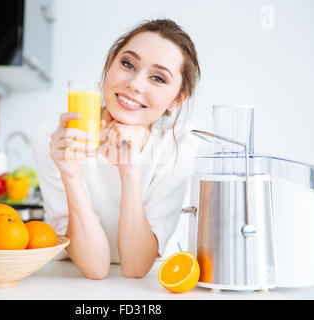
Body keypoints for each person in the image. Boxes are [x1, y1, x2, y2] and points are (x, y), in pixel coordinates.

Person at [31, 19, 201, 279]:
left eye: (157, 78)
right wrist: (70, 174)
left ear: (177, 99)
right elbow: (95, 269)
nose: (135, 83)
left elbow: (134, 267)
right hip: (66, 280)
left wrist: (129, 172)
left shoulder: (179, 147)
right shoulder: (53, 134)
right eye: (127, 64)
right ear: (110, 64)